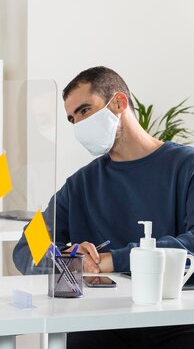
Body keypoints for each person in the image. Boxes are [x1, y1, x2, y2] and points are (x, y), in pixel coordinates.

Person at [13, 66, 194, 348]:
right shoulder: (80, 185)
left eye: (85, 111)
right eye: (72, 119)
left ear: (119, 103)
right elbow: (26, 247)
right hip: (99, 322)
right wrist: (69, 258)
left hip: (175, 321)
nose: (78, 125)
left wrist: (112, 260)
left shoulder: (185, 167)